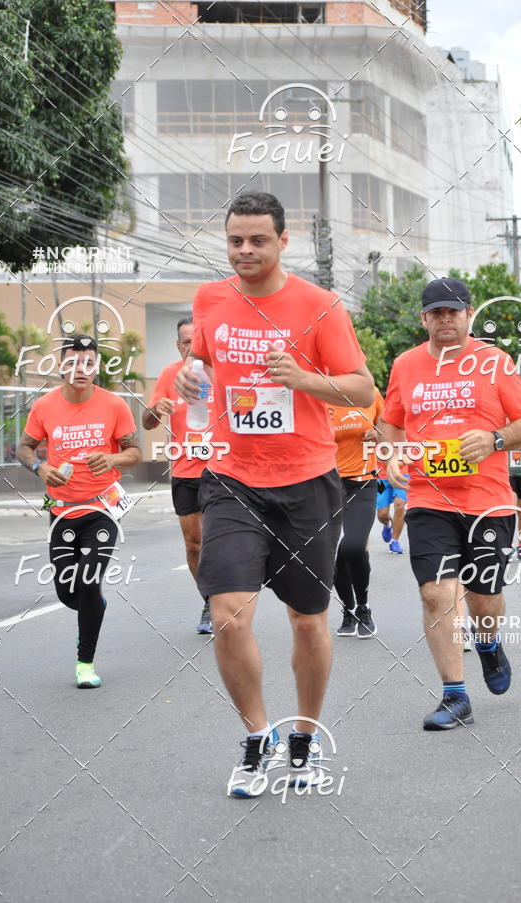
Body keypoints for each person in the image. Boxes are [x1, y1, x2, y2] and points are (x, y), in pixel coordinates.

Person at [175, 192, 374, 794]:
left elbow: (363, 390)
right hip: (233, 479)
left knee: (308, 622)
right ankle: (257, 736)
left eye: (258, 240)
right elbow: (204, 365)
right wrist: (191, 375)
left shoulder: (319, 306)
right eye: (235, 240)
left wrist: (304, 379)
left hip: (308, 482)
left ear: (284, 242)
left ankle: (305, 741)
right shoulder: (211, 298)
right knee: (227, 615)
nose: (245, 251)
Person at [381, 277, 521, 730]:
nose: (445, 319)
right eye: (436, 312)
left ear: (469, 314)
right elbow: (391, 423)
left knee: (484, 601)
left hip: (488, 500)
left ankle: (488, 644)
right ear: (424, 318)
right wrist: (390, 454)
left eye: (453, 311)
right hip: (429, 497)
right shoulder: (406, 365)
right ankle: (454, 695)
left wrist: (495, 438)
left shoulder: (495, 362)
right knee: (436, 593)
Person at [16, 335, 141, 688]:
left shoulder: (114, 405)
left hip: (103, 509)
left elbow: (135, 453)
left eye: (88, 362)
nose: (81, 369)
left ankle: (85, 663)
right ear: (61, 367)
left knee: (87, 579)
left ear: (97, 367)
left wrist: (113, 458)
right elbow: (25, 447)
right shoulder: (44, 406)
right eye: (73, 362)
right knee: (68, 592)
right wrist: (38, 467)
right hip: (61, 512)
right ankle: (93, 604)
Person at [142, 316, 214, 634]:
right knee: (193, 545)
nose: (191, 346)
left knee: (217, 541)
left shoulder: (220, 373)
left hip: (222, 471)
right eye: (186, 342)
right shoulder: (170, 375)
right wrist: (157, 410)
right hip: (185, 470)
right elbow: (146, 422)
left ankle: (226, 596)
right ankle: (210, 599)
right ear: (178, 345)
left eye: (196, 340)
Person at [329, 387, 384, 638]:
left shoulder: (369, 393)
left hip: (363, 482)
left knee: (351, 546)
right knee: (329, 554)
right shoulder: (319, 397)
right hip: (327, 485)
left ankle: (364, 607)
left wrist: (379, 434)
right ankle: (348, 610)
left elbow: (390, 431)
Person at [376, 466, 407, 555]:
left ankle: (394, 541)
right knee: (382, 515)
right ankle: (387, 524)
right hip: (382, 478)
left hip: (402, 475)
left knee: (400, 505)